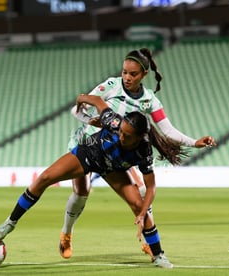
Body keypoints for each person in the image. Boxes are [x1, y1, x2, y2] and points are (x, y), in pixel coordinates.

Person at [0, 94, 188, 268]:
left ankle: (158, 255)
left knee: (139, 205)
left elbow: (151, 187)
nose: (121, 136)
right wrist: (81, 99)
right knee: (45, 177)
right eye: (120, 131)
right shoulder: (113, 121)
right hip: (88, 155)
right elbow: (96, 100)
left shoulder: (144, 151)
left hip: (113, 170)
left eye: (127, 136)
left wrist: (142, 213)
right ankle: (10, 223)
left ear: (139, 138)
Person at [60, 48, 216, 260]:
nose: (127, 77)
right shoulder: (112, 86)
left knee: (142, 191)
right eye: (124, 72)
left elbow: (167, 130)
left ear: (143, 74)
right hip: (88, 144)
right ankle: (67, 233)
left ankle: (149, 241)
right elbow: (76, 109)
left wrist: (195, 142)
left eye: (132, 74)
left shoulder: (150, 100)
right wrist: (90, 120)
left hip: (117, 151)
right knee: (81, 193)